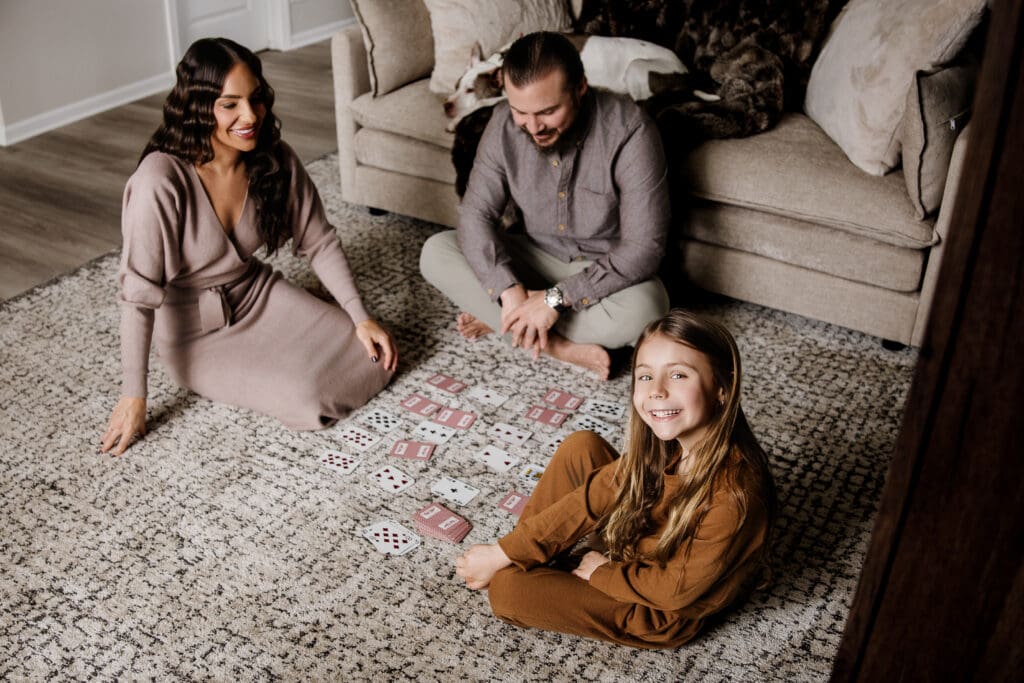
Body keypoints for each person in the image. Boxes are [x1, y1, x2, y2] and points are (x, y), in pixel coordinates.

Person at [100, 38, 397, 455]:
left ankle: (312, 335)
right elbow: (138, 297)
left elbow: (319, 239)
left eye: (255, 99)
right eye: (230, 104)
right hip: (195, 335)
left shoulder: (273, 158)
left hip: (259, 293)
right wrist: (135, 395)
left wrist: (360, 316)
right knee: (308, 399)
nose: (250, 116)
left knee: (376, 356)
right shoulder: (159, 180)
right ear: (199, 106)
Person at [454, 309, 776, 648]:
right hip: (640, 537)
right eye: (646, 376)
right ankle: (527, 557)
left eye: (679, 375)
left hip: (657, 607)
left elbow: (674, 591)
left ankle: (533, 567)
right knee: (582, 446)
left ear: (722, 387)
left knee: (507, 590)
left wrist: (601, 573)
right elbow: (596, 494)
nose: (657, 391)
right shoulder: (667, 442)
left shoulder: (735, 496)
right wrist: (504, 553)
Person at [420, 31, 671, 380]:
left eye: (548, 111)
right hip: (534, 258)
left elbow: (645, 248)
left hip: (602, 273)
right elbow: (476, 215)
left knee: (649, 309)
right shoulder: (503, 124)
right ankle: (558, 346)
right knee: (436, 252)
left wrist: (556, 299)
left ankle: (506, 323)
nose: (533, 127)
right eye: (520, 111)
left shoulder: (632, 131)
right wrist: (508, 292)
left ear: (580, 88)